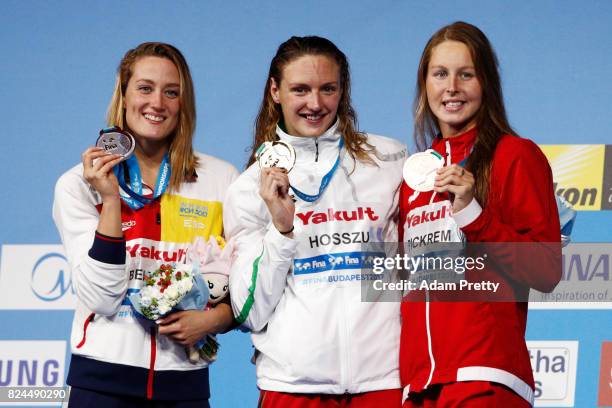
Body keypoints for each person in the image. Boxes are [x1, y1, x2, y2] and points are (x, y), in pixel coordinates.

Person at [53, 42, 238, 407]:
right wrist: (110, 200)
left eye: (172, 92)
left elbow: (248, 286)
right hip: (100, 384)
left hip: (184, 385)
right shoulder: (77, 184)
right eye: (145, 88)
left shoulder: (221, 179)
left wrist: (213, 321)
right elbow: (102, 298)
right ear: (123, 94)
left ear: (184, 104)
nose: (157, 102)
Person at [224, 36, 407, 407]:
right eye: (300, 89)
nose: (315, 103)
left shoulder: (391, 160)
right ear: (275, 91)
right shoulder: (250, 188)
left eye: (328, 89)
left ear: (342, 91)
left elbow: (425, 268)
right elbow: (249, 311)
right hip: (293, 386)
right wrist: (281, 230)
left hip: (384, 380)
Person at [398, 22, 561, 407]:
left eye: (465, 74)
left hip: (484, 376)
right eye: (440, 74)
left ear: (485, 82)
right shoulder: (414, 175)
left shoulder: (514, 155)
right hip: (420, 386)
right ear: (425, 85)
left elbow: (546, 269)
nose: (451, 86)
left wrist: (475, 215)